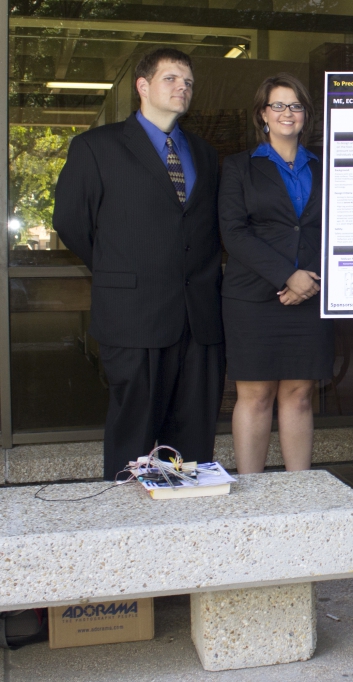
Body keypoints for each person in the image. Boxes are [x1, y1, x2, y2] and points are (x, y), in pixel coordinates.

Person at [53, 48, 224, 481]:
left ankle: (184, 518)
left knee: (193, 434)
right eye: (170, 79)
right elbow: (71, 222)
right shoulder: (97, 147)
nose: (182, 87)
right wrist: (118, 269)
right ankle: (128, 522)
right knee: (135, 432)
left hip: (197, 317)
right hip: (133, 314)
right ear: (143, 87)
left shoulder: (204, 154)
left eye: (187, 81)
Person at [218, 74, 332, 473]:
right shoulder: (239, 167)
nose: (288, 113)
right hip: (252, 296)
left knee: (299, 394)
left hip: (310, 293)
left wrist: (309, 278)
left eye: (296, 105)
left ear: (306, 115)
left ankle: (298, 491)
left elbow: (339, 226)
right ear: (263, 114)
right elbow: (233, 232)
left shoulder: (325, 165)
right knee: (255, 394)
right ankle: (253, 494)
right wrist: (287, 275)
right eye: (278, 105)